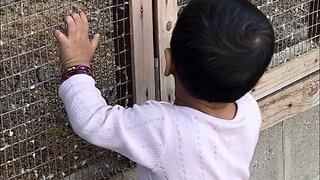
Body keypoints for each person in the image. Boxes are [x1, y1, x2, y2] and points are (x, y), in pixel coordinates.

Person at [54, 0, 275, 179]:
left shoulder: (164, 128)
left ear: (168, 63)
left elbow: (94, 122)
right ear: (255, 83)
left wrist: (76, 64)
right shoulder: (249, 110)